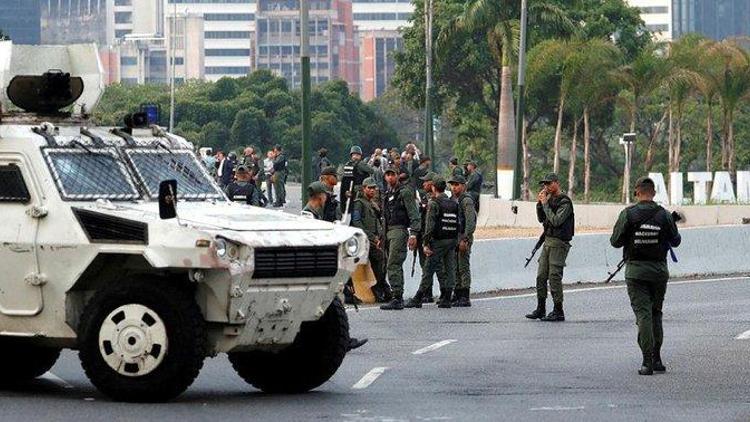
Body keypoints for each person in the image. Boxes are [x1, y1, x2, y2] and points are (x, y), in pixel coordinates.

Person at [610, 177, 681, 376]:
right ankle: (657, 358)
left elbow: (615, 241)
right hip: (659, 272)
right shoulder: (664, 216)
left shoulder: (628, 214)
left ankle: (646, 361)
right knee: (656, 313)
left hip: (636, 273)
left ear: (637, 193)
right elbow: (676, 241)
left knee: (643, 315)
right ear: (654, 193)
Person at [300, 181, 369, 351]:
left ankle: (338, 339)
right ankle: (338, 340)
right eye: (325, 195)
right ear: (319, 196)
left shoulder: (315, 213)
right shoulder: (308, 215)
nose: (326, 198)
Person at [525, 173, 575, 322]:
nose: (546, 187)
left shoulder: (564, 201)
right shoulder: (549, 200)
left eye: (549, 183)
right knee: (541, 276)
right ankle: (541, 308)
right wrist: (540, 204)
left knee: (554, 276)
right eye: (544, 184)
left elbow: (556, 220)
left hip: (559, 243)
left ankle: (558, 310)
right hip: (548, 241)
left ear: (556, 183)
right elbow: (542, 219)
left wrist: (545, 204)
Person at [404, 175, 458, 308]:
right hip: (451, 240)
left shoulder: (434, 203)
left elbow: (429, 226)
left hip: (438, 242)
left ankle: (418, 297)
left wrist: (425, 243)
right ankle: (446, 297)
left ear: (434, 187)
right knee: (449, 268)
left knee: (428, 269)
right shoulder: (453, 203)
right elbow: (458, 223)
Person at [380, 166, 421, 310]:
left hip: (399, 230)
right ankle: (397, 295)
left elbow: (414, 215)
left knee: (393, 263)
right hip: (388, 232)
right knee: (391, 264)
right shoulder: (387, 193)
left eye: (393, 175)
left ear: (397, 176)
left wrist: (414, 234)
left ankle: (397, 297)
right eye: (388, 175)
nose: (390, 177)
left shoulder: (404, 192)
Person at [351, 177, 391, 302]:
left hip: (374, 239)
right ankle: (378, 289)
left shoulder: (371, 203)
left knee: (381, 263)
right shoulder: (359, 203)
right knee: (378, 260)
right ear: (364, 189)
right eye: (370, 188)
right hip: (365, 239)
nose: (372, 190)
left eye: (374, 188)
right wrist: (372, 237)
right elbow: (357, 222)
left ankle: (382, 288)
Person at [449, 174, 477, 307]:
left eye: (457, 185)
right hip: (454, 238)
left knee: (463, 266)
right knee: (455, 267)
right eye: (452, 185)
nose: (454, 188)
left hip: (463, 237)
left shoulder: (466, 200)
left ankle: (465, 296)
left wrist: (465, 238)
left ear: (463, 186)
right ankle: (458, 293)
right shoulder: (454, 200)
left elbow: (470, 221)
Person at [340, 146, 374, 214]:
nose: (356, 157)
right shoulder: (360, 164)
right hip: (359, 191)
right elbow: (371, 170)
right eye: (354, 155)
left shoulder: (347, 164)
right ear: (351, 155)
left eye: (357, 155)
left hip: (352, 191)